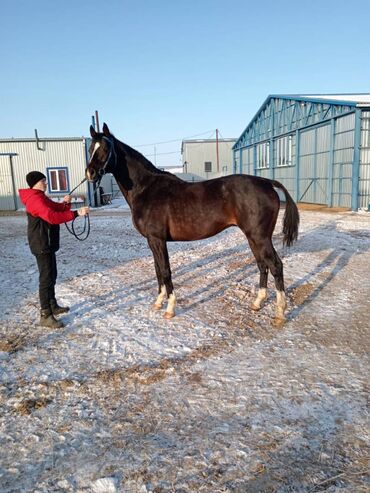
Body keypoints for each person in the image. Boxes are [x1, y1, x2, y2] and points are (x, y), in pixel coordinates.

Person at [19, 171, 89, 329]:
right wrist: (77, 213)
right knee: (46, 279)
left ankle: (52, 305)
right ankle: (45, 315)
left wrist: (65, 203)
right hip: (41, 243)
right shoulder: (34, 199)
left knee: (52, 274)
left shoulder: (40, 196)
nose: (46, 183)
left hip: (47, 243)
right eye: (44, 180)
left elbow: (55, 208)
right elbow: (51, 216)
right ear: (36, 182)